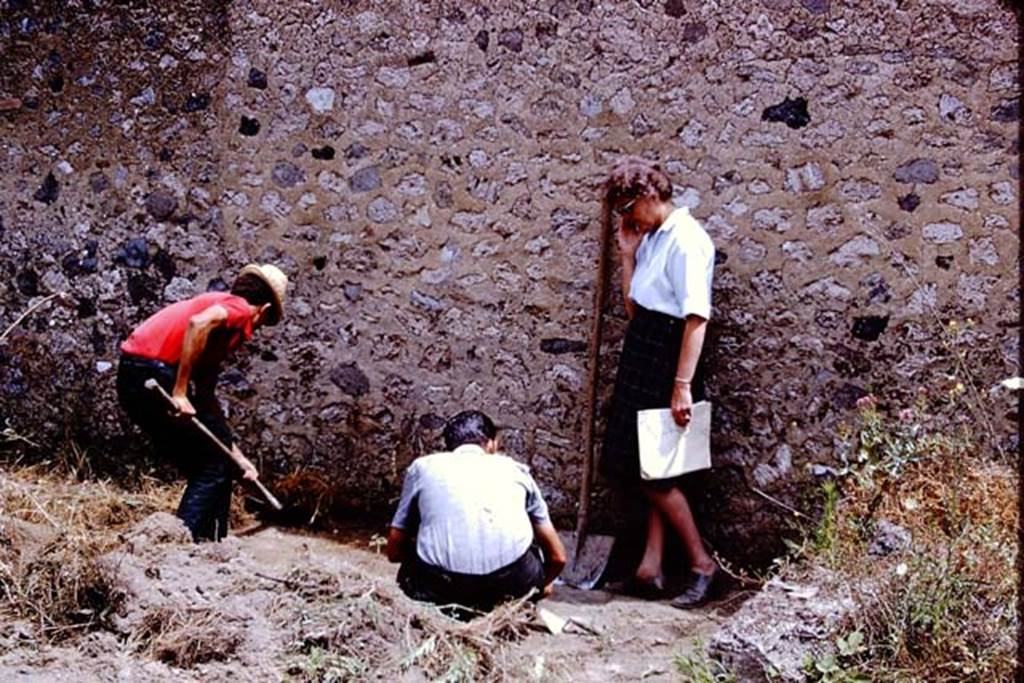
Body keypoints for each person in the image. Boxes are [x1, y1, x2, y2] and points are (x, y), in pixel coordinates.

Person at [599, 157, 718, 609]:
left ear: (651, 195)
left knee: (655, 471)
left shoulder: (688, 240)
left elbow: (696, 319)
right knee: (647, 465)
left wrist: (682, 384)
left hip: (670, 354)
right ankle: (650, 566)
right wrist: (628, 256)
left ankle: (702, 564)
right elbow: (634, 308)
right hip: (644, 343)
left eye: (629, 206)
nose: (626, 217)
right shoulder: (650, 239)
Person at [116, 264, 287, 542]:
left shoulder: (218, 336)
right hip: (153, 373)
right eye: (264, 323)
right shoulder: (239, 309)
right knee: (212, 466)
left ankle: (212, 542)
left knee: (218, 462)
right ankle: (180, 545)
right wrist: (181, 392)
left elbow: (206, 400)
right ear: (264, 310)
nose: (255, 331)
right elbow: (199, 323)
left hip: (134, 376)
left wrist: (239, 460)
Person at [387, 410, 567, 615]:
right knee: (529, 530)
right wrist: (542, 585)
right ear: (491, 444)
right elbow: (558, 558)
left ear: (449, 447)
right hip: (510, 588)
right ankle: (514, 603)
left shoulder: (422, 468)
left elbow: (394, 550)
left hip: (441, 591)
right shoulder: (516, 470)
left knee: (419, 531)